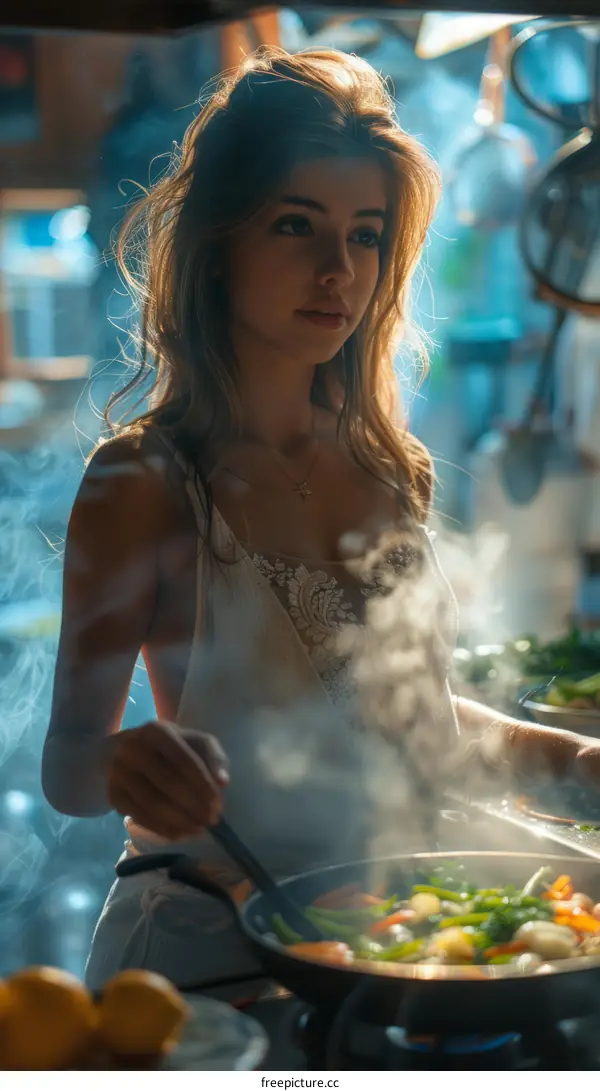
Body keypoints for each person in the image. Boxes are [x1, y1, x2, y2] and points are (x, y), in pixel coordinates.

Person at [43, 47, 600, 992]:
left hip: (385, 936)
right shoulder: (140, 480)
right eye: (296, 226)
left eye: (366, 234)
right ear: (219, 243)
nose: (338, 270)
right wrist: (127, 760)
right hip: (205, 954)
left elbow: (410, 723)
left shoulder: (387, 466)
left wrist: (578, 756)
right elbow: (68, 765)